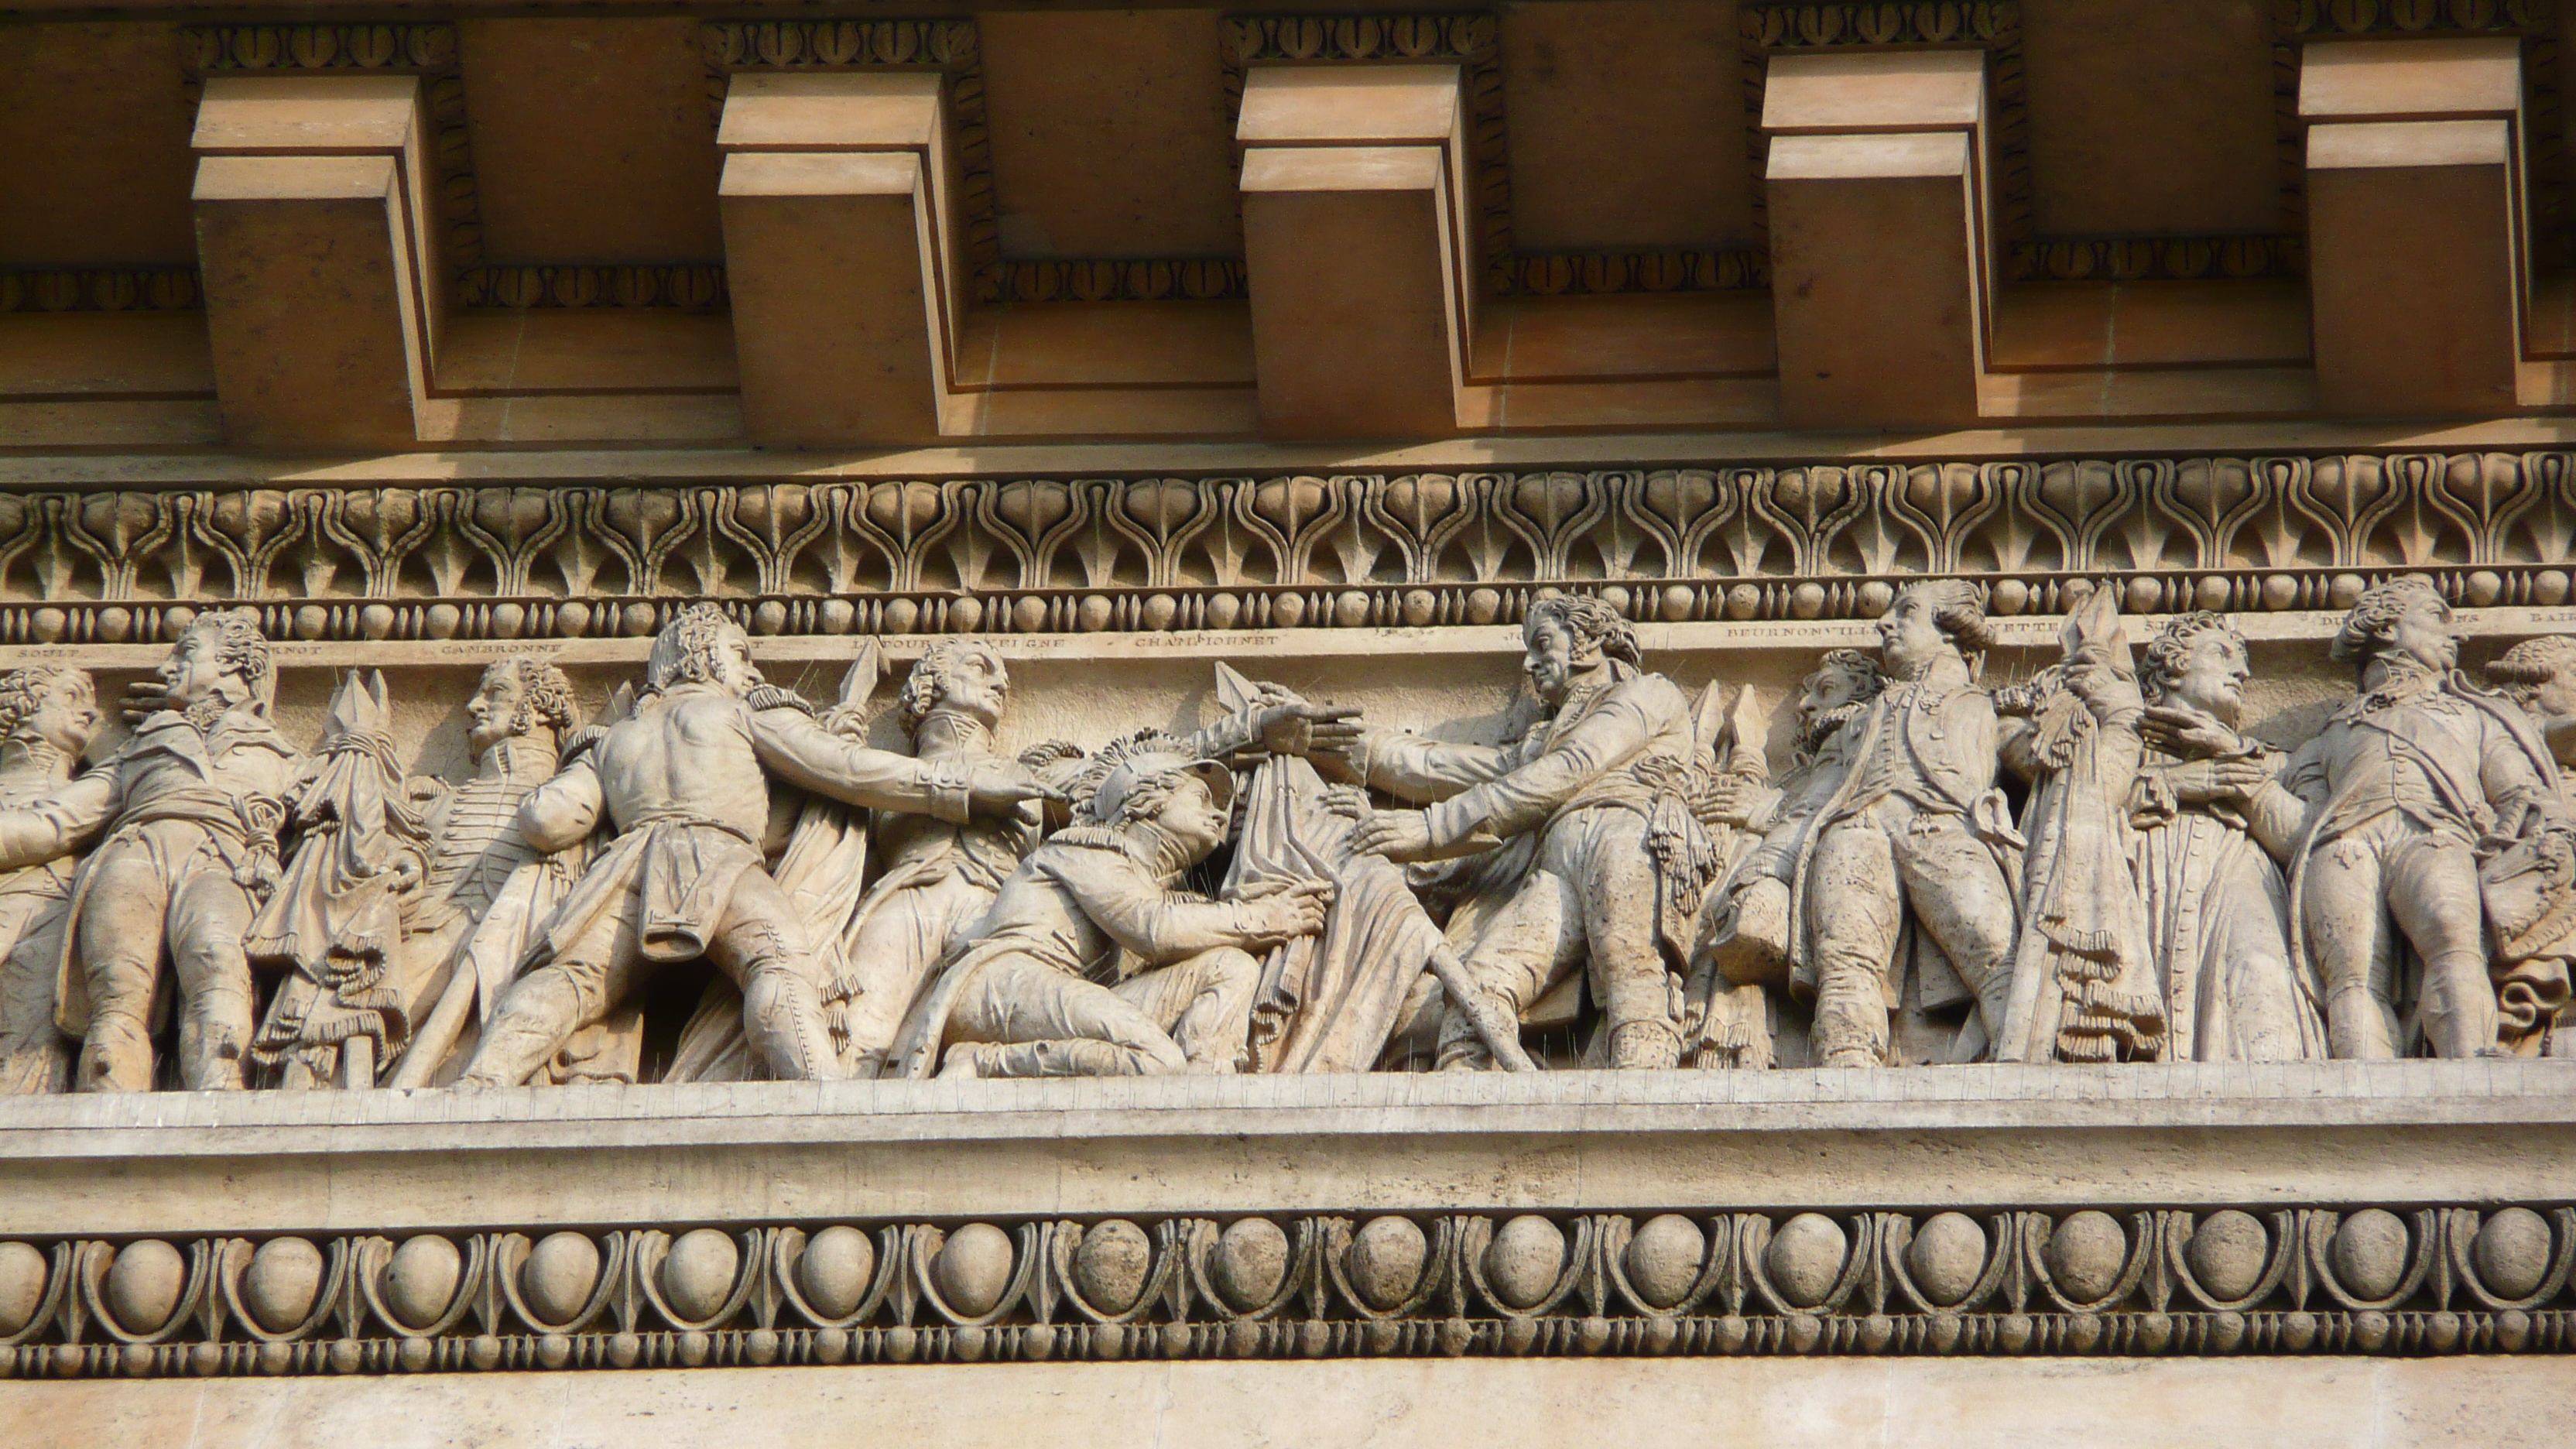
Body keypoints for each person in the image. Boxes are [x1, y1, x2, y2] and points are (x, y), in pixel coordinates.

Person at [455, 605, 1060, 1085]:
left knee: (576, 980)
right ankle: (824, 1090)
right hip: (719, 861)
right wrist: (962, 784)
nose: (751, 669)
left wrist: (577, 759)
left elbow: (550, 821)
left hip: (627, 862)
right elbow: (850, 771)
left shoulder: (616, 738)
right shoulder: (739, 713)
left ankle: (482, 1081)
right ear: (702, 655)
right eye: (740, 653)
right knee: (780, 962)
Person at [1325, 595, 1706, 1069]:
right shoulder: (1544, 739)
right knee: (1478, 984)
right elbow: (1437, 763)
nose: (1529, 663)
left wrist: (1429, 828)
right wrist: (1334, 741)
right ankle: (1462, 1110)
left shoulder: (1649, 693)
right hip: (1556, 865)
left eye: (1542, 643)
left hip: (1624, 835)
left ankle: (1642, 1112)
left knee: (1629, 969)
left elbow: (1575, 766)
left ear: (1588, 642)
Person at [2239, 577, 2572, 1058]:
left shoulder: (2475, 716)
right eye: (2438, 616)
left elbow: (2520, 792)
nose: (2456, 636)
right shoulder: (2329, 735)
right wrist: (2246, 784)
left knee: (2452, 937)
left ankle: (2471, 1067)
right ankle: (2364, 1088)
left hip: (2434, 835)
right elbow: (2301, 830)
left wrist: (2528, 832)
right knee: (2351, 973)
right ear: (2389, 627)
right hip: (2342, 846)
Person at [890, 734, 1327, 1078]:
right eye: (1201, 799)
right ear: (1147, 799)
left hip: (1070, 997)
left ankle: (1207, 1083)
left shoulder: (1149, 886)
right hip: (999, 986)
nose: (1218, 816)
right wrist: (1268, 917)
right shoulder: (1085, 850)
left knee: (1232, 967)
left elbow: (1173, 922)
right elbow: (1154, 928)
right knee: (1158, 1060)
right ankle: (984, 1064)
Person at [0, 611, 303, 1091]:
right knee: (117, 987)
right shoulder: (141, 746)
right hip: (132, 854)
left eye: (184, 653)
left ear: (232, 664)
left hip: (224, 862)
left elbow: (336, 823)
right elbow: (52, 824)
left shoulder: (288, 757)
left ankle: (220, 1097)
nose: (165, 670)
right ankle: (109, 1103)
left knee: (219, 963)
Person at [1770, 581, 2021, 1067]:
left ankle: (2021, 1060)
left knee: (1995, 954)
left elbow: (2029, 755)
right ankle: (1845, 1067)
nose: (1885, 623)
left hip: (1943, 827)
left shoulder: (1981, 704)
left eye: (1907, 612)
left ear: (1950, 631)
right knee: (1843, 963)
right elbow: (1811, 797)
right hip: (1855, 830)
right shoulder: (1859, 718)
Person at [2129, 612, 2324, 1062]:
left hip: (2240, 882)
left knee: (2259, 984)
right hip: (2144, 876)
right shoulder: (2121, 749)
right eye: (2223, 654)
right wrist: (2179, 782)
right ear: (2173, 665)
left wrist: (2242, 772)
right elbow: (2073, 817)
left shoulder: (2270, 762)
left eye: (2244, 659)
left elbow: (2310, 845)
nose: (2244, 671)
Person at [0, 668, 103, 1093]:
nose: (90, 712)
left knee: (27, 1049)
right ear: (23, 707)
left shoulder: (100, 785)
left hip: (44, 914)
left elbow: (50, 829)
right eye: (72, 695)